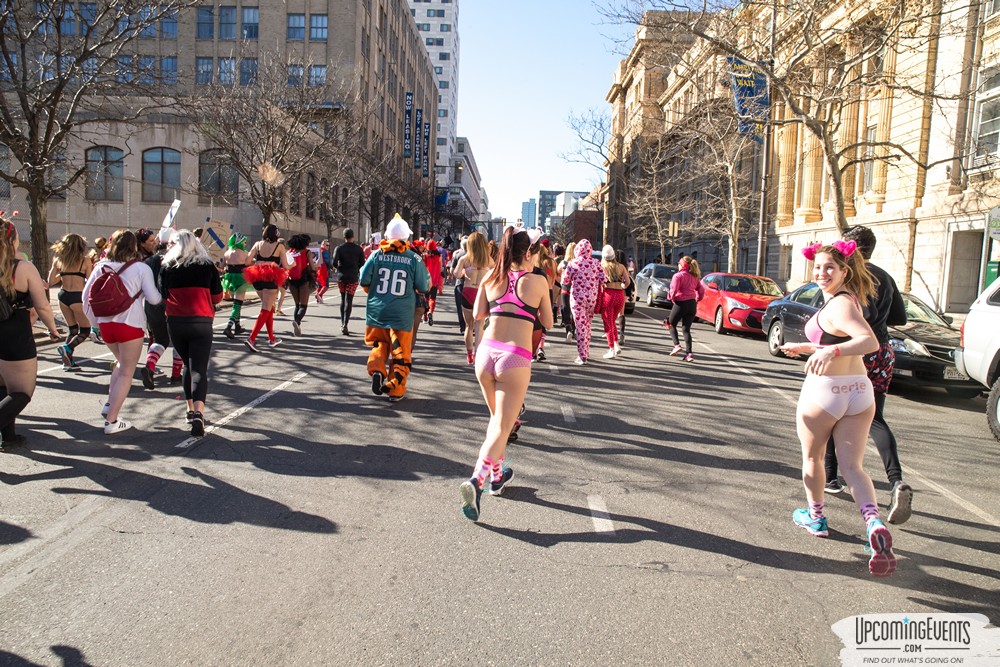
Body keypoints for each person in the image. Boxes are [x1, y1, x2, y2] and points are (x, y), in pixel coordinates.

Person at [779, 240, 896, 577]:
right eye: (817, 267)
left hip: (827, 391)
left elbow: (869, 341)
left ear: (844, 270)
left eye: (829, 267)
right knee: (854, 467)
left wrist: (831, 353)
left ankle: (816, 517)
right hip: (859, 392)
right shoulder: (846, 301)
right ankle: (873, 524)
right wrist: (810, 346)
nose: (821, 273)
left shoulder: (841, 304)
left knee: (813, 458)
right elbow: (838, 337)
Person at [459, 225, 553, 521]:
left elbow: (477, 315)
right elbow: (548, 322)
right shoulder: (537, 282)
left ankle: (498, 478)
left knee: (497, 423)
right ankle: (477, 479)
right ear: (528, 253)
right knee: (502, 425)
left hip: (486, 355)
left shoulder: (491, 275)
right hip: (515, 358)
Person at [823, 226, 912, 524]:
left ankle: (830, 478)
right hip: (883, 352)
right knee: (874, 418)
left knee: (833, 414)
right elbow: (900, 317)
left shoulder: (844, 275)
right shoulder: (885, 276)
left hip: (853, 352)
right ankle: (896, 480)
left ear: (847, 247)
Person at [82, 230, 163, 434]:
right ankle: (112, 421)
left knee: (120, 364)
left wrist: (96, 324)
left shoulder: (100, 266)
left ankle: (110, 405)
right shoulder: (140, 268)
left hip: (106, 324)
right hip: (130, 324)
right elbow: (154, 299)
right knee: (127, 370)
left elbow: (85, 299)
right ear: (134, 247)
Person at [0, 218, 61, 450]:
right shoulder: (23, 268)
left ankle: (9, 437)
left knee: (3, 387)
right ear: (12, 239)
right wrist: (52, 328)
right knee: (22, 392)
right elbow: (43, 305)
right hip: (15, 334)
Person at [158, 230, 223, 437]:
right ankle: (198, 413)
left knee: (187, 365)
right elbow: (218, 297)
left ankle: (189, 409)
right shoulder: (207, 266)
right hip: (202, 321)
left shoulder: (167, 267)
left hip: (176, 321)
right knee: (199, 369)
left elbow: (164, 297)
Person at [359, 214, 430, 402]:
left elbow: (363, 279)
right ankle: (396, 389)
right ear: (406, 237)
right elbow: (423, 286)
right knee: (400, 351)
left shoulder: (376, 255)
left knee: (379, 344)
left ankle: (377, 369)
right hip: (402, 313)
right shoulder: (414, 258)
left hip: (377, 311)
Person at [141, 227, 183, 389]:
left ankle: (150, 366)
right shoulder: (177, 260)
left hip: (152, 306)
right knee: (179, 340)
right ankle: (176, 374)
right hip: (173, 304)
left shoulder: (149, 261)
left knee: (160, 340)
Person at [47, 233, 93, 369]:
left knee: (73, 330)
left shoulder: (59, 260)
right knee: (85, 330)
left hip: (63, 296)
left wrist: (63, 273)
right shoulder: (86, 261)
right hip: (77, 296)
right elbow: (90, 281)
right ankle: (67, 348)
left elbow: (51, 281)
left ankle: (67, 362)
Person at [243, 224, 289, 352]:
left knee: (270, 307)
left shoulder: (258, 244)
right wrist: (292, 264)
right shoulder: (280, 246)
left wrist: (260, 263)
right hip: (270, 278)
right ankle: (251, 339)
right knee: (266, 308)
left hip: (257, 277)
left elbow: (247, 261)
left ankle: (271, 338)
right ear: (276, 233)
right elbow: (286, 265)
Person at [562, 239, 603, 365]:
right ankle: (586, 350)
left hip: (577, 298)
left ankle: (582, 355)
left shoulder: (573, 263)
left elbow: (565, 280)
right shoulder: (596, 262)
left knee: (580, 326)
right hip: (592, 298)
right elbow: (604, 278)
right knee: (588, 325)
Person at [454, 232, 490, 364]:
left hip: (467, 292)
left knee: (469, 326)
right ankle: (478, 354)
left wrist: (464, 272)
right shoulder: (489, 260)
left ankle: (469, 354)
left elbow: (456, 275)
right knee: (479, 326)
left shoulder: (465, 259)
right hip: (481, 294)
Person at [666, 256, 705, 362]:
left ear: (682, 265)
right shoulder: (695, 276)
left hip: (681, 303)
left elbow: (673, 290)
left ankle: (677, 345)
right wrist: (697, 299)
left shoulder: (678, 276)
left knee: (670, 323)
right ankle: (689, 354)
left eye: (679, 263)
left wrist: (671, 298)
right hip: (692, 304)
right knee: (686, 329)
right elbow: (701, 291)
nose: (677, 265)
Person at [331, 228, 366, 336]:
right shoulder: (358, 249)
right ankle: (346, 323)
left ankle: (342, 323)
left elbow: (334, 262)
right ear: (353, 236)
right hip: (353, 276)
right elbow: (362, 263)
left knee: (342, 298)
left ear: (344, 236)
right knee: (349, 300)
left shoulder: (339, 248)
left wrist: (338, 267)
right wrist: (356, 268)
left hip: (342, 276)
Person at [599, 244, 631, 359]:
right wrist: (622, 285)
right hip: (620, 295)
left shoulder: (602, 266)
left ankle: (611, 348)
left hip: (608, 294)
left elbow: (598, 282)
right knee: (612, 321)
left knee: (608, 323)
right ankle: (616, 344)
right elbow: (627, 282)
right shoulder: (621, 266)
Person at [286, 234, 319, 337]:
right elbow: (313, 267)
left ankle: (297, 326)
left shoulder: (289, 252)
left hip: (292, 280)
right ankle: (297, 321)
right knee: (303, 305)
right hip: (304, 279)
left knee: (297, 304)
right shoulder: (307, 252)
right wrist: (316, 267)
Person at [532, 239, 558, 361]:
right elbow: (553, 278)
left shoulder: (535, 262)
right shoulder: (551, 262)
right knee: (544, 320)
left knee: (534, 319)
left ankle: (534, 350)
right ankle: (541, 347)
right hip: (549, 291)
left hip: (535, 291)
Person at [221, 233, 249, 339]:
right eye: (244, 241)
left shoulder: (227, 252)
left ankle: (237, 326)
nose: (245, 243)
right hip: (241, 279)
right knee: (237, 304)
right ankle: (228, 327)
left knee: (236, 302)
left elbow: (221, 267)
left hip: (229, 280)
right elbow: (250, 263)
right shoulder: (244, 253)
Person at [558, 241, 576, 342]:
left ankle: (568, 329)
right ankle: (574, 330)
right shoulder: (577, 263)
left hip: (565, 288)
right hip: (575, 289)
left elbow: (558, 270)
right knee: (574, 311)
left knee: (566, 309)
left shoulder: (564, 263)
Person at [450, 236, 468, 335]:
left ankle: (462, 327)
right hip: (473, 285)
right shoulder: (476, 255)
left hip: (460, 283)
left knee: (460, 306)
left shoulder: (458, 255)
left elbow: (452, 271)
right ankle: (471, 326)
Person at [423, 239, 444, 325]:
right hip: (435, 280)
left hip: (426, 280)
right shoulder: (439, 256)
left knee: (425, 299)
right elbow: (441, 268)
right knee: (432, 298)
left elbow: (423, 267)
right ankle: (430, 312)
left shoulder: (425, 256)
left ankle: (425, 317)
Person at [617, 249, 633, 345]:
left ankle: (610, 333)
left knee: (610, 313)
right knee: (621, 314)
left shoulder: (612, 266)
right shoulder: (624, 268)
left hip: (610, 290)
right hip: (621, 292)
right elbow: (628, 281)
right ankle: (622, 333)